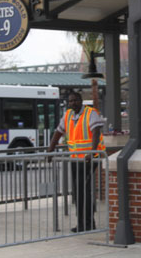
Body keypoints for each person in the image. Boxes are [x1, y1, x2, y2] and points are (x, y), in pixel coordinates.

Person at [48, 92, 105, 232]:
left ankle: (87, 223)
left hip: (89, 158)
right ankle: (83, 223)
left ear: (81, 100)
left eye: (75, 100)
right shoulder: (68, 115)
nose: (72, 103)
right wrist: (50, 150)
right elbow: (58, 132)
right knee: (78, 191)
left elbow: (96, 132)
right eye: (70, 101)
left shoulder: (90, 113)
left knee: (82, 190)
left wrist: (91, 152)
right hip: (75, 158)